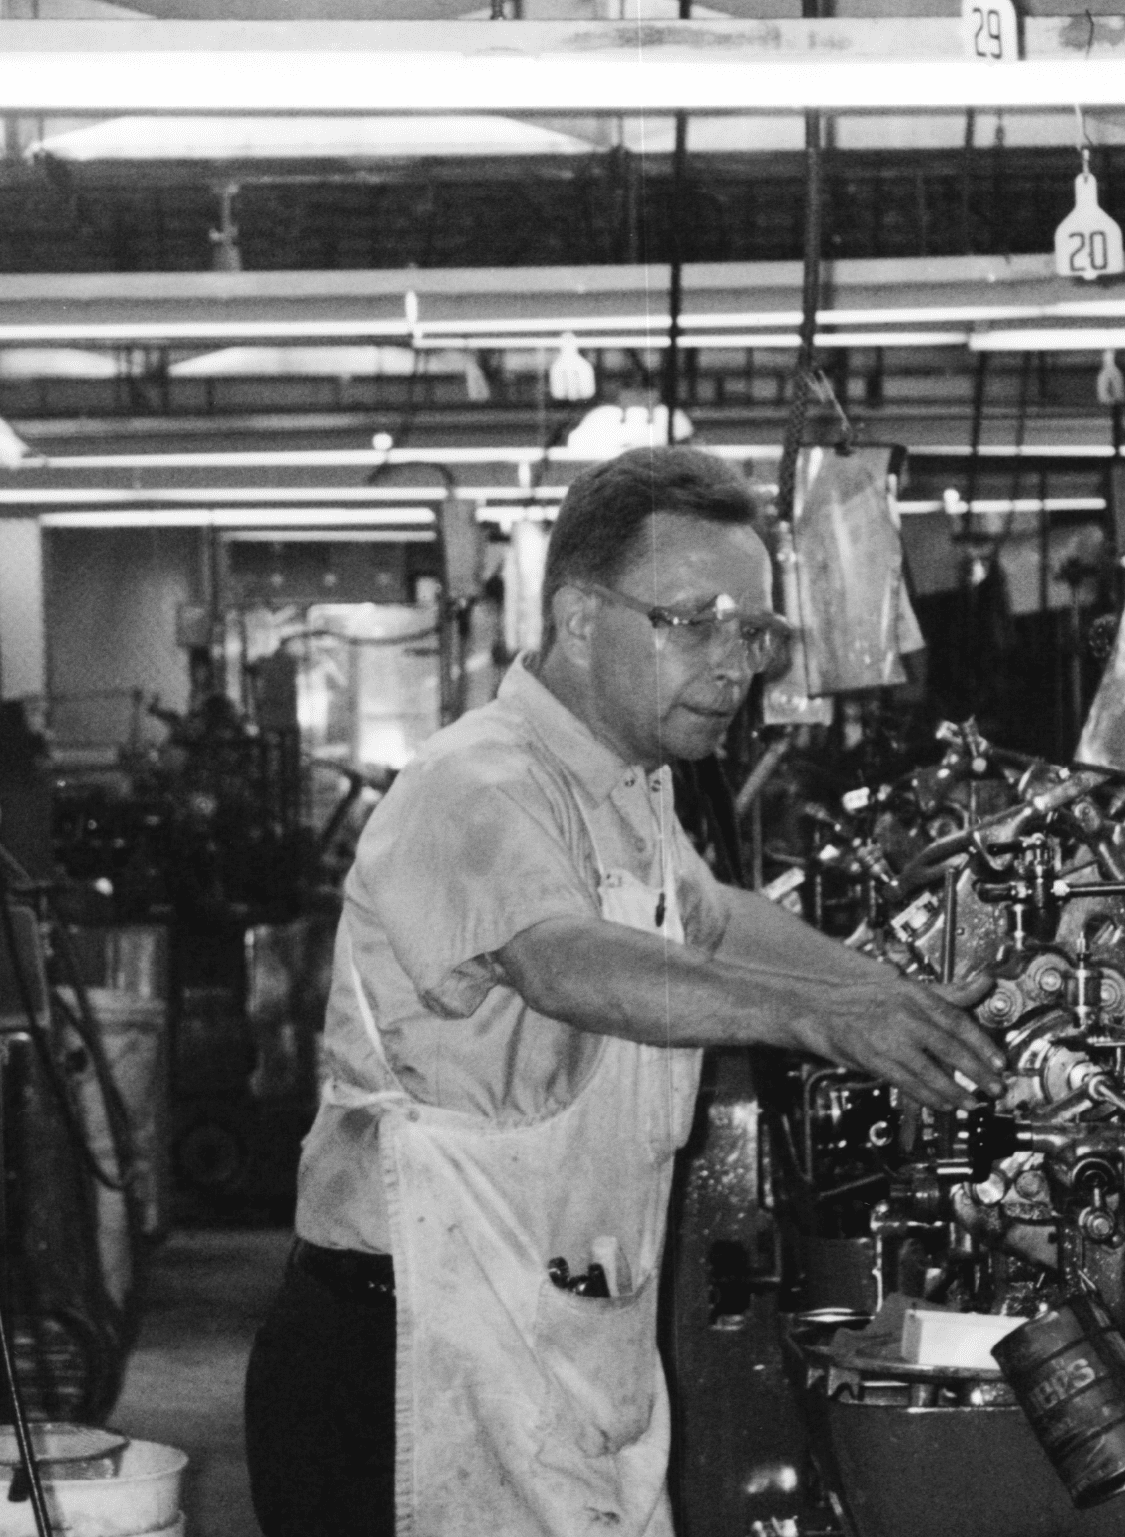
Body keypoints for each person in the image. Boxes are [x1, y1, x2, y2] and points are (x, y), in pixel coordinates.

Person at [244, 445, 1003, 1537]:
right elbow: (562, 963)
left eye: (752, 630)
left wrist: (900, 994)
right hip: (407, 1362)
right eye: (691, 619)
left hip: (548, 1346)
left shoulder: (625, 789)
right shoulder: (477, 782)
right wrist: (826, 1018)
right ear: (578, 618)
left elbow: (715, 918)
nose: (734, 663)